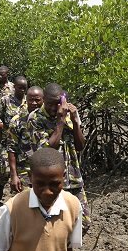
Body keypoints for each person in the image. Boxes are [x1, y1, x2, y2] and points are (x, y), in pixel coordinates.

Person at [29, 83, 90, 227]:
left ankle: (64, 247)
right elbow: (46, 151)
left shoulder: (70, 115)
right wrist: (60, 121)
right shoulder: (35, 118)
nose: (52, 108)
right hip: (49, 182)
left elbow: (80, 146)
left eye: (56, 104)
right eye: (49, 103)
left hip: (73, 178)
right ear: (43, 100)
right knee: (50, 222)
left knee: (83, 223)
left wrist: (75, 122)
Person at [0, 77, 28, 205]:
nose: (22, 90)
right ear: (14, 87)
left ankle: (18, 201)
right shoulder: (5, 101)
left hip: (22, 142)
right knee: (5, 170)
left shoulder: (28, 101)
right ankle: (0, 185)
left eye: (24, 87)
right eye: (20, 87)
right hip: (6, 140)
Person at [7, 86, 45, 194]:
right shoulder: (17, 121)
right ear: (26, 99)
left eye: (37, 100)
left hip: (44, 173)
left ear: (43, 99)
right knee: (22, 206)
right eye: (30, 99)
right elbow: (11, 148)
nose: (34, 103)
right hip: (24, 172)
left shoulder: (48, 120)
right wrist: (13, 175)